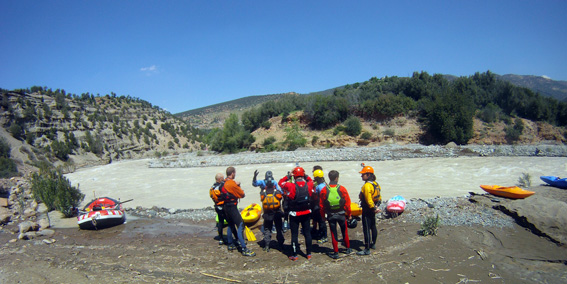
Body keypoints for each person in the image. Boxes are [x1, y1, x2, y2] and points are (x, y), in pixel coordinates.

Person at [279, 166, 314, 261]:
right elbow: (310, 180)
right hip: (306, 213)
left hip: (295, 214)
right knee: (307, 233)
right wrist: (305, 175)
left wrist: (288, 176)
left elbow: (280, 183)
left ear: (294, 175)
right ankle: (309, 254)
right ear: (303, 174)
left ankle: (295, 255)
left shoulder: (290, 186)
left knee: (294, 234)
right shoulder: (309, 184)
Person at [221, 166, 256, 257]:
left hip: (225, 207)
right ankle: (244, 249)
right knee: (241, 225)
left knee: (231, 225)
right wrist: (238, 185)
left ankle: (230, 244)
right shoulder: (232, 183)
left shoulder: (223, 182)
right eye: (234, 173)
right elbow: (242, 194)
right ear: (232, 173)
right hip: (232, 207)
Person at [319, 170, 352, 259]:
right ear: (337, 178)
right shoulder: (342, 188)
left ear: (329, 178)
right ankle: (348, 248)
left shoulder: (324, 190)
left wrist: (323, 216)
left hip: (331, 215)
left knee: (333, 233)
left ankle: (336, 252)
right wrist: (349, 214)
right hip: (341, 214)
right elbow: (348, 203)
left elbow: (321, 205)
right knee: (344, 231)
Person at [253, 170, 285, 251]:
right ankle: (281, 244)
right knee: (279, 228)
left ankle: (267, 245)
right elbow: (282, 194)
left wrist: (254, 177)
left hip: (267, 213)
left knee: (267, 229)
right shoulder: (277, 192)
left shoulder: (263, 194)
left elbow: (255, 184)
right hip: (277, 212)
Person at [357, 165, 382, 256]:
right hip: (373, 208)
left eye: (363, 174)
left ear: (368, 175)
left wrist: (373, 208)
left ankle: (367, 249)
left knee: (366, 228)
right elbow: (379, 197)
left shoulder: (367, 186)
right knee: (373, 226)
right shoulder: (376, 184)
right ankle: (373, 244)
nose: (361, 176)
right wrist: (376, 207)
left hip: (368, 209)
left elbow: (368, 199)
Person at [209, 173, 232, 245]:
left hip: (217, 207)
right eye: (222, 178)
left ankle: (221, 238)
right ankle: (230, 239)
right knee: (230, 222)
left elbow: (212, 196)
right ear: (219, 179)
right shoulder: (220, 186)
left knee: (220, 222)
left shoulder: (212, 187)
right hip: (223, 207)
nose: (224, 179)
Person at [312, 167, 328, 244]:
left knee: (321, 222)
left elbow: (319, 197)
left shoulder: (320, 187)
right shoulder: (324, 184)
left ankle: (324, 236)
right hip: (322, 205)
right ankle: (322, 234)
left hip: (320, 206)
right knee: (321, 221)